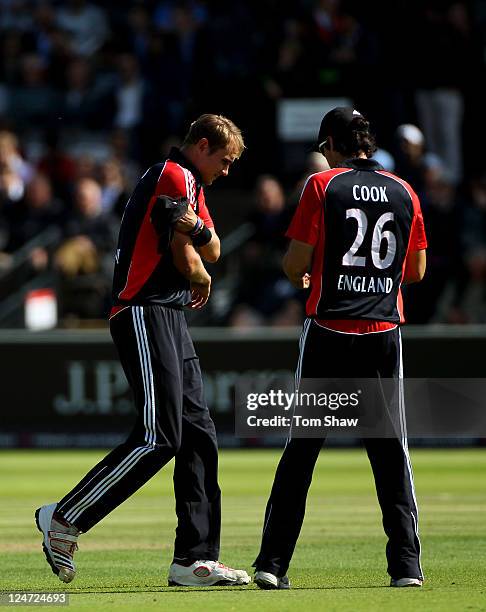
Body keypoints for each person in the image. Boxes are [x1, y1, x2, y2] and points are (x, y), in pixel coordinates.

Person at [35, 114, 251, 588]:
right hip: (143, 308)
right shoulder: (172, 174)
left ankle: (193, 559)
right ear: (201, 145)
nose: (228, 171)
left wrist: (198, 247)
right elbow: (188, 249)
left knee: (198, 434)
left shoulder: (191, 182)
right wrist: (197, 264)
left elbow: (210, 247)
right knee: (161, 436)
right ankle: (65, 517)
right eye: (226, 160)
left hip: (169, 314)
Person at [252, 107, 427, 590]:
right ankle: (406, 568)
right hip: (382, 330)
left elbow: (295, 263)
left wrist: (307, 274)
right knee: (391, 452)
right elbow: (415, 271)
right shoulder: (405, 190)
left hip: (329, 328)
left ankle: (272, 564)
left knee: (302, 451)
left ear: (331, 144)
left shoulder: (321, 185)